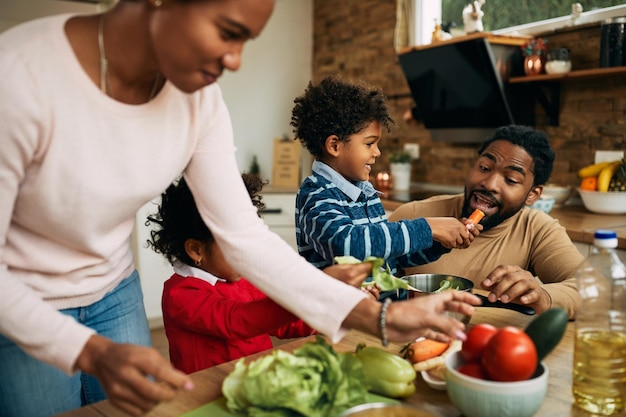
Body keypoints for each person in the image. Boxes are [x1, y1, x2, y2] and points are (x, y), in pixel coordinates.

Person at [0, 1, 479, 416]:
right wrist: (88, 350)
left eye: (247, 39)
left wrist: (378, 317)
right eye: (228, 32)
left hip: (113, 287)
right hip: (20, 297)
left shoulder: (199, 100)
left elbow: (244, 236)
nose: (234, 60)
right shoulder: (19, 79)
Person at [291, 75, 481, 280]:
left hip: (382, 308)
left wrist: (439, 241)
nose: (377, 152)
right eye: (369, 143)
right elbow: (347, 245)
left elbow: (391, 257)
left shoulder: (366, 193)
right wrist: (429, 227)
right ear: (335, 146)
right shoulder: (316, 193)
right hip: (345, 311)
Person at [389, 125, 583, 318]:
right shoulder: (413, 215)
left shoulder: (537, 230)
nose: (489, 183)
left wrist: (543, 297)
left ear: (532, 194)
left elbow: (590, 287)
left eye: (511, 179)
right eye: (484, 168)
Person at [147, 174, 322, 372]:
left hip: (253, 382)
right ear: (197, 250)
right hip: (207, 392)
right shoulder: (180, 294)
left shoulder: (241, 278)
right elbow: (238, 321)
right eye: (237, 246)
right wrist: (308, 301)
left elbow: (282, 323)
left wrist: (325, 316)